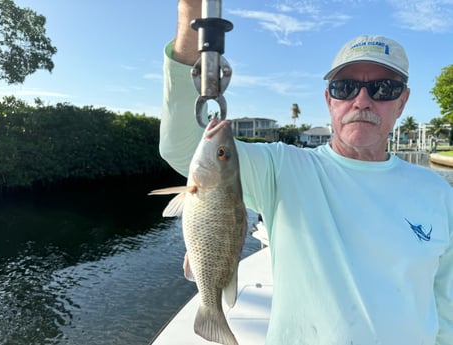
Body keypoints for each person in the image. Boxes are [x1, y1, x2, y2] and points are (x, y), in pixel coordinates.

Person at [159, 1, 453, 344]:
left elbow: (445, 301)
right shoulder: (283, 169)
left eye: (383, 88)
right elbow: (181, 146)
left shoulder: (439, 193)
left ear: (402, 102)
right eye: (345, 88)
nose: (361, 101)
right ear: (330, 100)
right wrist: (192, 12)